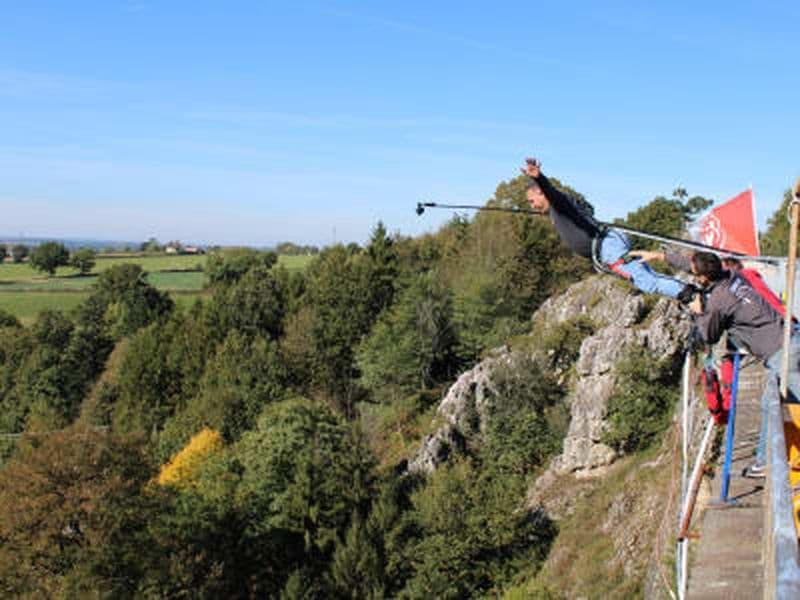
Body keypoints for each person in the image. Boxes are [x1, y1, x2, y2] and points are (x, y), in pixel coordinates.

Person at [634, 250, 799, 478]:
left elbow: (708, 335)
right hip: (790, 338)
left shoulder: (720, 302)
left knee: (778, 406)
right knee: (768, 406)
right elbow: (698, 265)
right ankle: (764, 460)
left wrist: (698, 312)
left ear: (702, 278)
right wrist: (661, 256)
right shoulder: (732, 275)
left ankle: (766, 463)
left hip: (781, 353)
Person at [521, 158, 696, 301]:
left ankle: (691, 296)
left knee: (647, 282)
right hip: (608, 243)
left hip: (608, 247)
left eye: (532, 201)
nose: (532, 206)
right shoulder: (559, 210)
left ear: (541, 193)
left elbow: (554, 194)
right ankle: (688, 292)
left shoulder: (559, 204)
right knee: (648, 278)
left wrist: (539, 178)